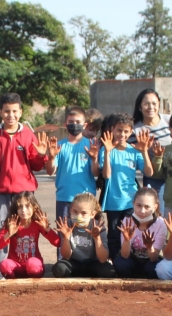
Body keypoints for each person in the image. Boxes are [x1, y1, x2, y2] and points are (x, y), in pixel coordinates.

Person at [0, 92, 49, 279]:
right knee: (3, 228)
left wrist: (41, 155)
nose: (11, 115)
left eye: (15, 111)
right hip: (0, 191)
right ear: (0, 112)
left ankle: (29, 264)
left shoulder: (28, 135)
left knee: (26, 228)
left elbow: (36, 165)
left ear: (21, 112)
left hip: (24, 192)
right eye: (7, 111)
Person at [44, 105, 100, 256]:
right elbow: (50, 171)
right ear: (65, 124)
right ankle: (63, 261)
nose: (74, 125)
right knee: (64, 232)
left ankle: (87, 259)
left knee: (87, 233)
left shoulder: (90, 145)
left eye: (78, 122)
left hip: (86, 199)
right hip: (65, 197)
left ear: (84, 124)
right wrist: (51, 157)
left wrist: (94, 158)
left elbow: (96, 172)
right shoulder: (59, 146)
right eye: (71, 122)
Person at [99, 113, 155, 259]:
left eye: (126, 131)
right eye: (119, 130)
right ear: (112, 129)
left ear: (131, 132)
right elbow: (106, 175)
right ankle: (115, 262)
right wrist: (107, 152)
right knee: (113, 234)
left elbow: (149, 171)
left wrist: (144, 151)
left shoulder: (134, 150)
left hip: (131, 201)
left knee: (131, 232)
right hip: (113, 201)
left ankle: (130, 260)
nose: (122, 134)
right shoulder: (106, 149)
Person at [0, 192, 60, 279]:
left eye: (27, 206)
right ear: (15, 209)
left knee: (32, 263)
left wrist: (47, 229)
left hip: (33, 267)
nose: (23, 210)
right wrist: (9, 234)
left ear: (34, 207)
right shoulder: (11, 224)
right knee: (5, 265)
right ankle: (13, 284)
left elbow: (57, 242)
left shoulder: (37, 223)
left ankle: (33, 285)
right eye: (20, 207)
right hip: (16, 267)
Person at [53, 193, 115, 279]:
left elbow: (103, 259)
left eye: (84, 213)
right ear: (70, 210)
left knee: (108, 271)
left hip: (93, 262)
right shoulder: (67, 225)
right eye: (75, 212)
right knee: (59, 269)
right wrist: (66, 237)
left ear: (92, 214)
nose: (78, 216)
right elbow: (66, 256)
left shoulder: (98, 227)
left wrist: (97, 238)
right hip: (74, 262)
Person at [114, 187, 166, 279]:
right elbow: (125, 255)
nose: (142, 211)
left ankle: (148, 285)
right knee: (120, 263)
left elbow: (154, 258)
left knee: (155, 267)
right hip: (132, 258)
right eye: (139, 205)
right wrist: (127, 240)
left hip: (150, 260)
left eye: (147, 207)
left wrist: (150, 247)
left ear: (155, 207)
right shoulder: (127, 221)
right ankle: (128, 283)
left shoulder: (160, 223)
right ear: (133, 204)